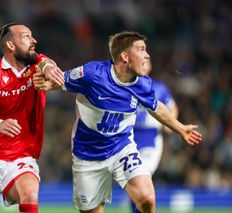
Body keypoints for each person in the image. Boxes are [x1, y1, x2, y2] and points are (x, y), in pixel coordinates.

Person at [33, 31, 202, 213]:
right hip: (88, 154)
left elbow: (157, 107)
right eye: (141, 49)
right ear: (125, 56)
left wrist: (180, 128)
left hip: (121, 148)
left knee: (147, 198)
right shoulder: (92, 73)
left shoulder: (142, 84)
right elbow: (62, 79)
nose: (147, 55)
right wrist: (48, 83)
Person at [0, 22, 64, 213]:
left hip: (21, 159)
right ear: (11, 45)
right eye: (26, 36)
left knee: (30, 196)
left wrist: (50, 76)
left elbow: (48, 65)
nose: (34, 40)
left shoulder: (37, 65)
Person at [130, 62, 179, 213]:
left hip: (150, 139)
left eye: (147, 60)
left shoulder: (159, 88)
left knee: (141, 180)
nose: (143, 62)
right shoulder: (126, 87)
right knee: (134, 183)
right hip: (129, 138)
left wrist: (170, 123)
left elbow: (173, 107)